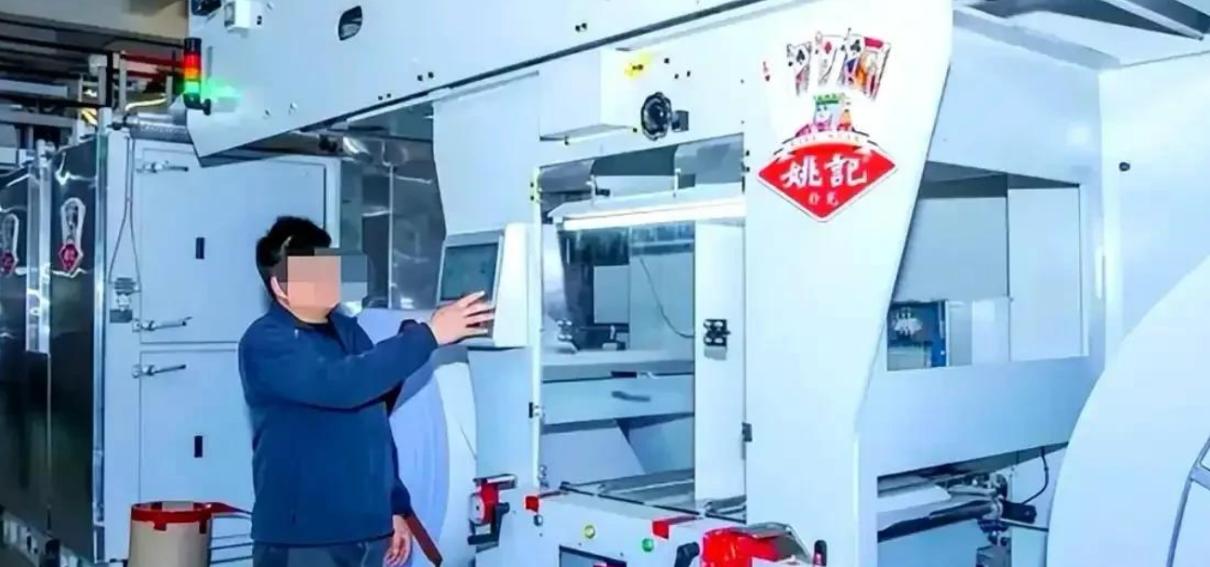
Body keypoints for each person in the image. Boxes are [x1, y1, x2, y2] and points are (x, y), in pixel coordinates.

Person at [239, 216, 492, 567]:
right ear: (281, 287)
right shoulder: (266, 342)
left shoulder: (348, 332)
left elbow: (375, 428)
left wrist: (395, 508)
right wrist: (429, 335)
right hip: (304, 540)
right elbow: (344, 385)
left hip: (367, 533)